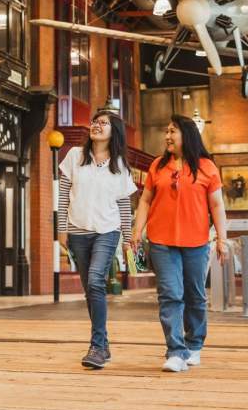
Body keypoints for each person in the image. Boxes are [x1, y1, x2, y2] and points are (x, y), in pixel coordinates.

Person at [131, 114, 228, 373]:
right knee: (170, 295)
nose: (167, 136)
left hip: (196, 242)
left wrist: (222, 238)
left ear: (187, 134)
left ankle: (194, 345)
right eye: (166, 131)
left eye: (173, 131)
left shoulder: (207, 167)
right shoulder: (157, 166)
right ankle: (175, 351)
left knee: (194, 295)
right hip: (161, 241)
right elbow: (145, 201)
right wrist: (137, 230)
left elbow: (217, 205)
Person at [58, 110, 136, 370]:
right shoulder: (74, 157)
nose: (97, 126)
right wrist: (61, 230)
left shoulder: (120, 165)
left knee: (95, 281)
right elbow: (63, 195)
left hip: (107, 231)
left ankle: (98, 346)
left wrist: (128, 238)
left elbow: (125, 205)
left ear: (114, 131)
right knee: (90, 290)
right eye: (95, 122)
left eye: (104, 123)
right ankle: (102, 344)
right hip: (77, 232)